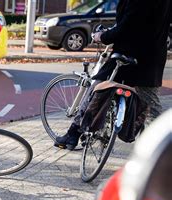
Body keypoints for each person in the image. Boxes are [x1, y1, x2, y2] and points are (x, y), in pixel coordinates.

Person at [54, 0, 172, 150]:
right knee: (151, 106)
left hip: (128, 55)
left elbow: (127, 27)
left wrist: (102, 37)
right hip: (153, 59)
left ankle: (73, 134)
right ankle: (163, 149)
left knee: (96, 89)